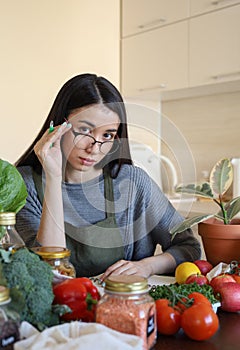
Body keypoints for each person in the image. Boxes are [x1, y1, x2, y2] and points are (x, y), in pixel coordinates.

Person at [15, 73, 201, 279]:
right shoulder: (24, 186)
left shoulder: (133, 183)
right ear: (58, 126)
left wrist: (148, 266)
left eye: (107, 135)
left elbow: (188, 246)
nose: (94, 148)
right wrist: (52, 175)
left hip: (122, 305)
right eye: (85, 130)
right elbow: (51, 269)